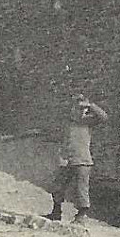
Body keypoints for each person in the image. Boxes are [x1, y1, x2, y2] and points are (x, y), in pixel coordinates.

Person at [46, 94, 110, 223]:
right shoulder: (67, 123)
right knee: (58, 186)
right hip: (66, 160)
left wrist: (91, 105)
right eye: (77, 108)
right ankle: (56, 212)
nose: (80, 111)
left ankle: (81, 216)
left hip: (83, 160)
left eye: (83, 109)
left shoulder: (88, 122)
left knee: (81, 189)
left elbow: (104, 117)